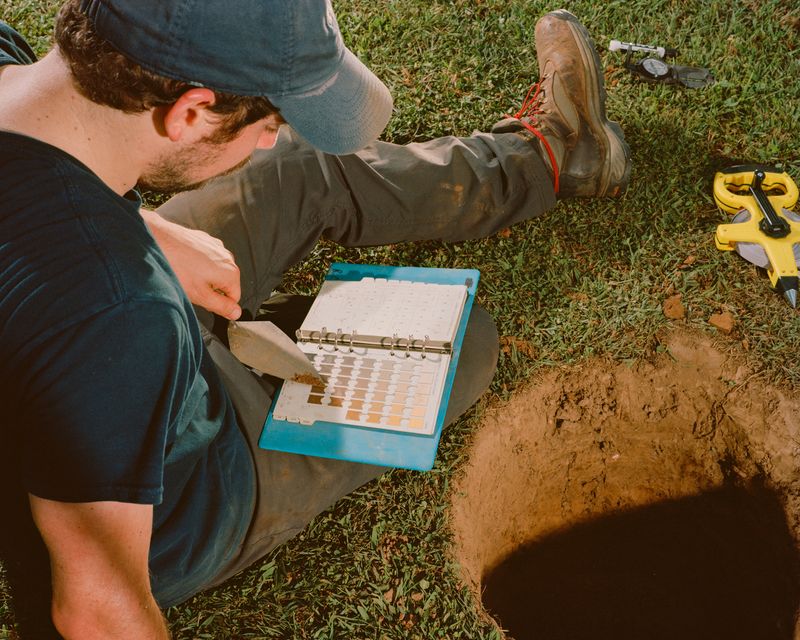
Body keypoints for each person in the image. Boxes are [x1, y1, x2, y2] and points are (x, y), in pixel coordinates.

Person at [0, 0, 630, 637]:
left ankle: (553, 157)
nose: (269, 136)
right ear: (190, 111)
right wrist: (126, 268)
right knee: (461, 341)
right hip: (185, 488)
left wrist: (144, 227)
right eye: (267, 120)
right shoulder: (116, 309)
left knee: (299, 163)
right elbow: (96, 605)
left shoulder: (22, 87)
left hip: (105, 329)